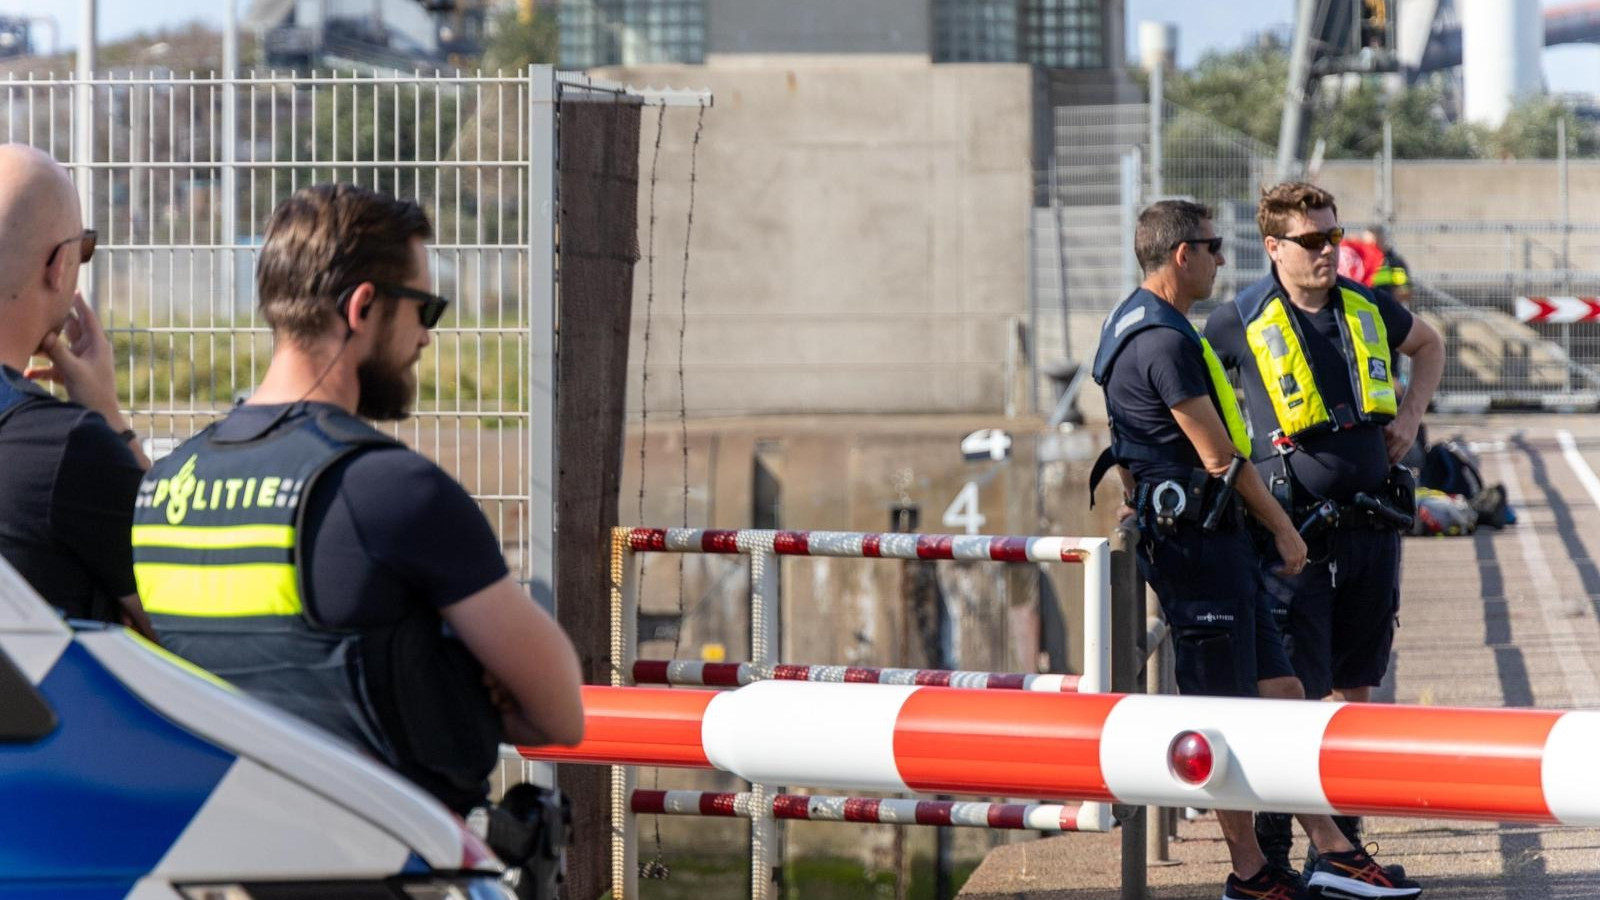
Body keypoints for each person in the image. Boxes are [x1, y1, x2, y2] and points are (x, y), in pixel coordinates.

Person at [130, 184, 585, 820]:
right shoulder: (390, 491)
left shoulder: (165, 489)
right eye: (425, 308)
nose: (427, 337)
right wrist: (457, 672)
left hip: (217, 852)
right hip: (382, 860)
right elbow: (559, 710)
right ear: (364, 306)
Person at [1090, 199, 1419, 900]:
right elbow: (1219, 458)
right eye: (1211, 246)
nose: (1219, 258)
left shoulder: (1134, 323)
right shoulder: (1166, 341)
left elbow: (1127, 434)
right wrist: (1282, 528)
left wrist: (1135, 481)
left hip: (1216, 550)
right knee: (1225, 714)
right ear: (1182, 255)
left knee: (1283, 692)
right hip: (1201, 552)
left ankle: (1330, 847)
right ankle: (1251, 871)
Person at [1205, 182, 1442, 889]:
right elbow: (1183, 399)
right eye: (1312, 240)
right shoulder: (1236, 320)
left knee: (1354, 690)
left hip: (1371, 530)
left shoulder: (1366, 306)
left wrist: (1409, 417)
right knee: (1291, 697)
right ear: (1274, 246)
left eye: (1333, 235)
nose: (1328, 250)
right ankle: (1275, 859)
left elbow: (1428, 346)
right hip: (1291, 537)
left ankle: (1337, 856)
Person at [0, 144, 155, 638]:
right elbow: (177, 623)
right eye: (83, 248)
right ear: (60, 264)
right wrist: (109, 416)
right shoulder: (65, 448)